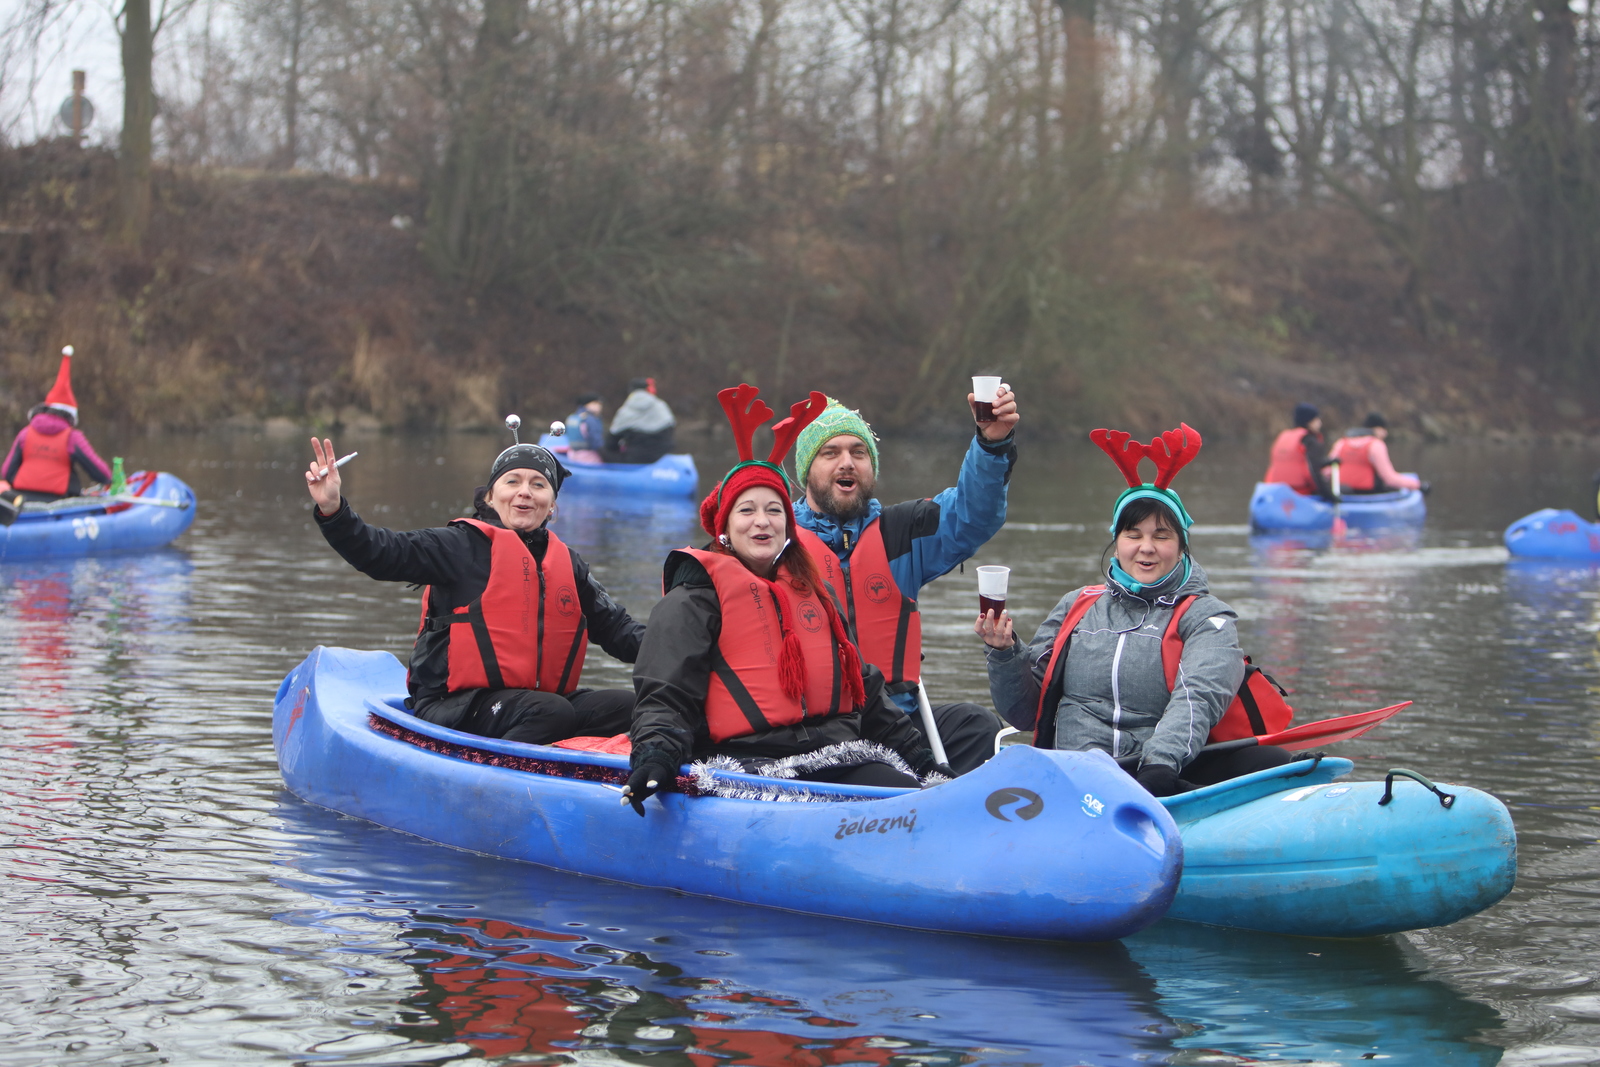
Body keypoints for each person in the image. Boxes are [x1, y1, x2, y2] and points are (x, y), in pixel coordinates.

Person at [623, 385, 951, 815]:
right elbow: (665, 697)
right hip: (746, 766)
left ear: (788, 524)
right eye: (747, 511)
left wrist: (927, 767)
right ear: (724, 527)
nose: (762, 522)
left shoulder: (815, 593)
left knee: (904, 788)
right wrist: (655, 758)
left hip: (834, 754)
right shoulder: (691, 601)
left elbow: (866, 692)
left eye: (774, 511)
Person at [976, 424, 1293, 797]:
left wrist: (1157, 767)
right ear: (1117, 542)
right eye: (1133, 535)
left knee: (1273, 761)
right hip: (1073, 774)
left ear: (1181, 546)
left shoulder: (1209, 617)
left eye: (1161, 536)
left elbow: (1198, 699)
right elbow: (1025, 713)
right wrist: (1004, 653)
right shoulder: (1077, 605)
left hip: (1155, 774)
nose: (1146, 548)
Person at [304, 425, 645, 747]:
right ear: (491, 497)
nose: (525, 492)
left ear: (552, 505)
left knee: (632, 707)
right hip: (453, 705)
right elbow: (380, 553)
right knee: (550, 711)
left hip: (533, 705)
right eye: (512, 482)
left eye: (539, 485)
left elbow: (618, 630)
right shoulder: (460, 546)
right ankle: (496, 785)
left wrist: (689, 649)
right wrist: (333, 510)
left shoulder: (568, 564)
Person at [788, 388, 1018, 774]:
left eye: (858, 453)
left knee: (979, 728)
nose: (847, 463)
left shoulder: (901, 532)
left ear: (871, 468)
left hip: (898, 724)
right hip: (816, 732)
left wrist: (992, 443)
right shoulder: (777, 541)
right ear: (806, 471)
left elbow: (972, 514)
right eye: (831, 453)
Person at [0, 346, 113, 501]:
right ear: (71, 415)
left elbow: (7, 472)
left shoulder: (25, 433)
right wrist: (110, 482)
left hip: (23, 500)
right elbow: (101, 474)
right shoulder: (73, 438)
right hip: (58, 501)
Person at [1329, 413, 1423, 493]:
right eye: (1383, 429)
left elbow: (1327, 472)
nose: (1385, 433)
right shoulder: (1376, 445)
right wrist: (1418, 485)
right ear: (1375, 429)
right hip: (1368, 493)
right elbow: (1389, 479)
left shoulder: (1341, 443)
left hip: (1343, 492)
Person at [1263, 402, 1334, 498]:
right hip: (1301, 493)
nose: (1320, 423)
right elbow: (1314, 472)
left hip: (1277, 492)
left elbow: (1299, 462)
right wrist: (1330, 496)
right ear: (1309, 421)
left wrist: (1325, 462)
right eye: (1317, 419)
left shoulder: (1283, 436)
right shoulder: (1311, 440)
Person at [605, 377, 676, 464]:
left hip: (635, 458)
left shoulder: (625, 411)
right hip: (661, 455)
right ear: (648, 389)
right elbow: (670, 428)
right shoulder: (661, 406)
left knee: (601, 451)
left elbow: (611, 441)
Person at [564, 393, 606, 465]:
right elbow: (596, 442)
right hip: (590, 457)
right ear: (586, 404)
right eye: (595, 403)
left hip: (572, 455)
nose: (599, 406)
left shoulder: (573, 417)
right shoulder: (590, 419)